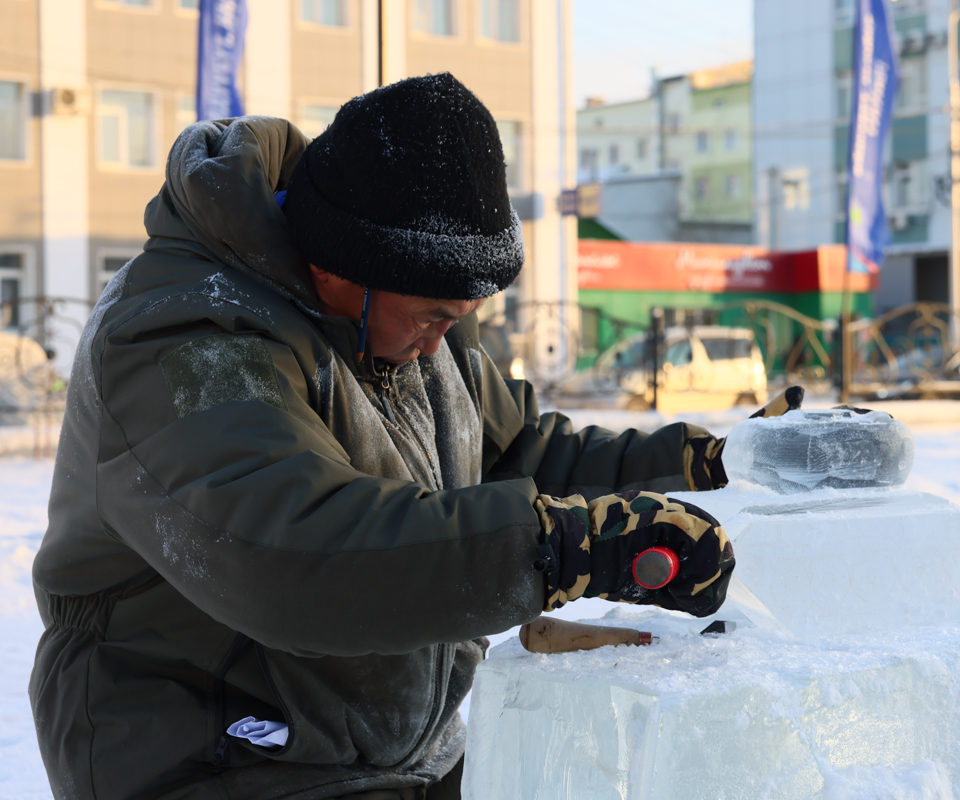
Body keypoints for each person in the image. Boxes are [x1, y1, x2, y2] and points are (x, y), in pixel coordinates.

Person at [27, 73, 801, 800]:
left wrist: (712, 461)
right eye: (432, 314)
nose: (441, 343)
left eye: (457, 318)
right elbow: (288, 551)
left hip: (393, 749)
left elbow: (520, 454)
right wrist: (564, 549)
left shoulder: (414, 325)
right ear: (341, 266)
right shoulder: (190, 337)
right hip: (216, 757)